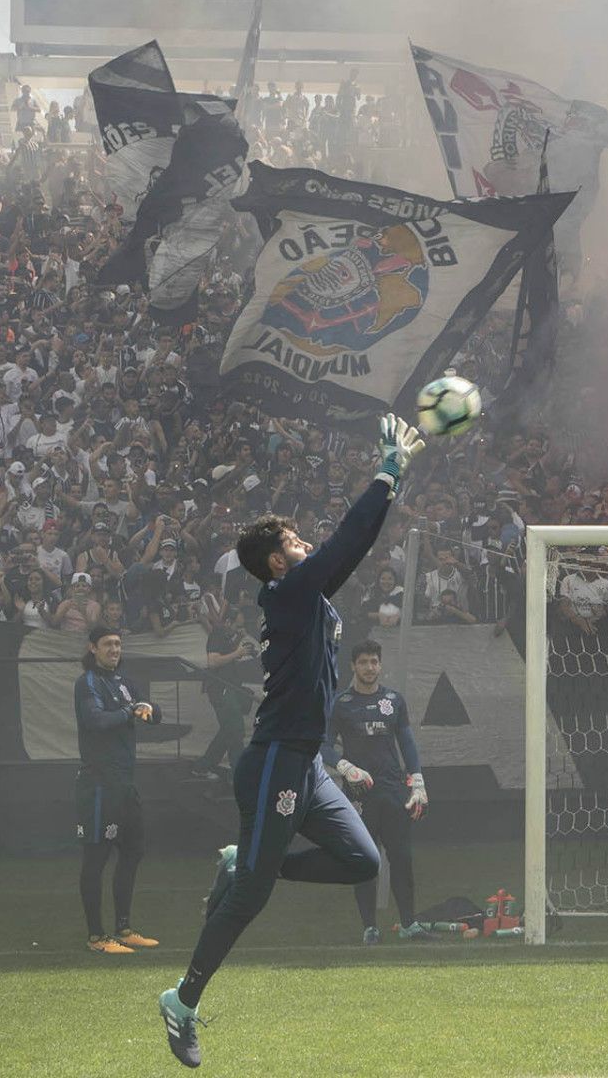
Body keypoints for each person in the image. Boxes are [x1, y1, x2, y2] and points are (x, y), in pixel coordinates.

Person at [159, 415, 423, 1067]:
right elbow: (348, 543)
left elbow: (343, 551)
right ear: (279, 560)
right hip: (276, 762)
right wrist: (387, 472)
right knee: (251, 898)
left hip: (306, 769)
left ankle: (249, 860)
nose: (306, 545)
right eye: (296, 540)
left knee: (363, 863)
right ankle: (182, 1001)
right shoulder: (289, 592)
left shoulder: (304, 597)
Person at [323, 639, 432, 943]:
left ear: (380, 665)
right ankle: (369, 927)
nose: (369, 668)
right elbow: (322, 745)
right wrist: (344, 767)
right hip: (359, 798)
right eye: (363, 663)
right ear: (353, 667)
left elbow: (407, 743)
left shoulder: (394, 701)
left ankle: (409, 925)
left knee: (401, 858)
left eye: (374, 662)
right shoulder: (339, 703)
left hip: (394, 792)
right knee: (365, 861)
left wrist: (418, 780)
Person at [74, 626, 162, 955]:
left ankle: (123, 928)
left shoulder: (124, 682)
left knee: (134, 850)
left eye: (118, 644)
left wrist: (149, 712)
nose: (114, 649)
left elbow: (152, 710)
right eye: (108, 644)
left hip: (125, 782)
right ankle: (96, 936)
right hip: (98, 783)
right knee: (96, 857)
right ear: (92, 648)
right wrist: (130, 712)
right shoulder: (88, 683)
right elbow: (96, 721)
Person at [192, 604, 257, 781]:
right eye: (237, 626)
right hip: (221, 689)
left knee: (228, 730)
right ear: (228, 622)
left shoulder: (229, 636)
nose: (240, 629)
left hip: (230, 688)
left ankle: (203, 766)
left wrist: (239, 643)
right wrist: (238, 652)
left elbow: (227, 655)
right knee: (235, 731)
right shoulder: (217, 634)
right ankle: (238, 774)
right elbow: (213, 662)